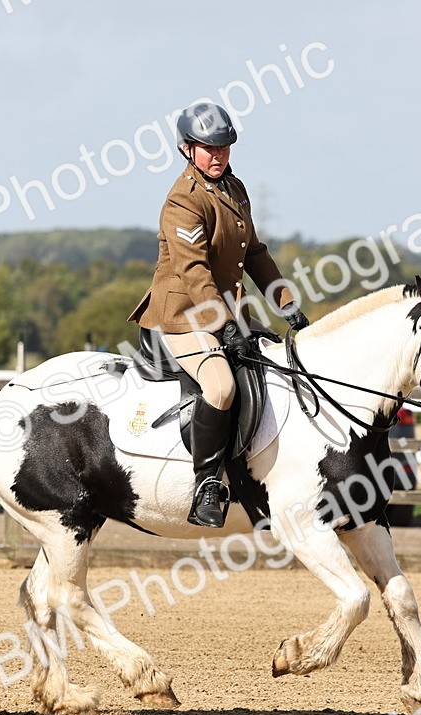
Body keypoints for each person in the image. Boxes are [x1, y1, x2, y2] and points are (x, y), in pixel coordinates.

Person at [128, 101, 309, 528]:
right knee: (222, 386)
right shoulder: (182, 201)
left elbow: (257, 253)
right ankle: (207, 485)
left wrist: (286, 302)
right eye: (209, 148)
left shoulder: (235, 188)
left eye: (225, 147)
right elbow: (195, 272)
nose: (219, 155)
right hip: (183, 315)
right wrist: (224, 326)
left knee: (279, 364)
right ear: (187, 149)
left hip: (228, 311)